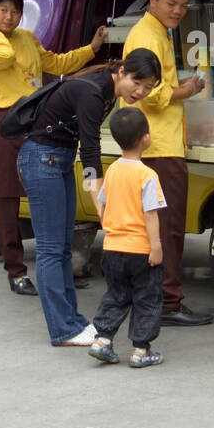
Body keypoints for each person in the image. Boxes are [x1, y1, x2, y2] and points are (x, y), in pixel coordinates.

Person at [18, 50, 162, 347]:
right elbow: (91, 152)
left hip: (56, 159)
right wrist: (100, 206)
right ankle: (62, 329)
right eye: (137, 82)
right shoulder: (95, 92)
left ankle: (73, 321)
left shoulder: (107, 90)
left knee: (63, 247)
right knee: (50, 249)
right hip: (42, 159)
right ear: (121, 71)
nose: (140, 92)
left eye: (148, 87)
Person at [0, 0, 108, 297]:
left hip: (36, 120)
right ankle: (16, 272)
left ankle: (59, 269)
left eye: (15, 11)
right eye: (3, 10)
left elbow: (57, 64)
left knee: (50, 194)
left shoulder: (28, 38)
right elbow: (3, 56)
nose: (9, 16)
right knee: (5, 198)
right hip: (6, 123)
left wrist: (91, 49)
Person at [121, 0, 213, 327]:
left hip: (157, 142)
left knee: (156, 228)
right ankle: (168, 302)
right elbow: (147, 91)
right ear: (153, 0)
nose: (178, 11)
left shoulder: (158, 32)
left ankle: (153, 300)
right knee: (168, 228)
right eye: (172, 3)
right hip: (158, 146)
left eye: (184, 6)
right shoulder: (147, 36)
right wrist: (185, 91)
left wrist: (179, 86)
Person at [89, 106, 167, 368]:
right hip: (141, 251)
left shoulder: (112, 170)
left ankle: (102, 340)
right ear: (146, 138)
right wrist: (156, 246)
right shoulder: (147, 175)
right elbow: (151, 215)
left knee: (116, 295)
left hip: (113, 248)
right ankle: (141, 350)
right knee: (147, 299)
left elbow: (102, 206)